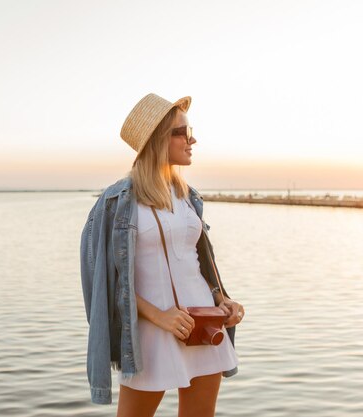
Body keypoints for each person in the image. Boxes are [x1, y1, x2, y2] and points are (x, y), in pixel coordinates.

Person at [80, 93, 245, 417]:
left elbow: (194, 264)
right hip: (150, 331)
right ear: (158, 138)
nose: (192, 139)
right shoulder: (117, 202)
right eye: (182, 132)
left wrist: (221, 299)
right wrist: (159, 316)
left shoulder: (188, 197)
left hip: (202, 324)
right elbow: (106, 281)